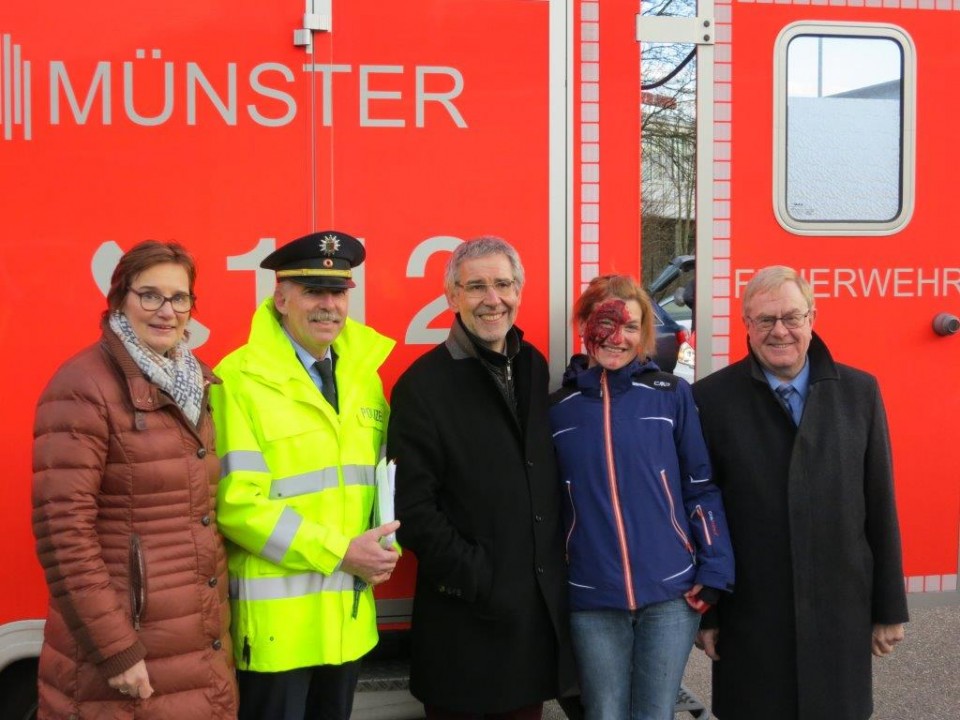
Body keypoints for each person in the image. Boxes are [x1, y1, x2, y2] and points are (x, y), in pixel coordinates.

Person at [32, 240, 238, 718]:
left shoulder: (195, 383)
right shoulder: (83, 387)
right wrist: (116, 650)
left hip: (196, 646)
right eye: (150, 295)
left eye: (179, 298)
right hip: (130, 652)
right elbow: (63, 535)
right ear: (120, 298)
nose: (167, 311)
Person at [691, 265, 908, 720]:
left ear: (812, 317)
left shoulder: (859, 392)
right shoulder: (711, 399)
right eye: (765, 320)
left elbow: (880, 504)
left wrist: (889, 608)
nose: (780, 331)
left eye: (792, 316)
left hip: (839, 607)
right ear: (746, 325)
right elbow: (703, 512)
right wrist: (708, 614)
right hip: (751, 611)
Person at [210, 230, 399, 720]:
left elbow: (374, 482)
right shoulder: (239, 380)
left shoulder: (363, 374)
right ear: (281, 297)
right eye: (314, 291)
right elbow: (238, 506)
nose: (329, 306)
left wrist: (384, 542)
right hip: (279, 636)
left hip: (348, 625)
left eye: (339, 292)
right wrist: (341, 552)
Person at [388, 236, 575, 720]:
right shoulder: (422, 386)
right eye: (476, 287)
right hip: (464, 629)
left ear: (519, 291)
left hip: (528, 626)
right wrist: (481, 579)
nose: (493, 299)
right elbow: (412, 510)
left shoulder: (532, 365)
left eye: (503, 284)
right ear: (451, 297)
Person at [548, 274, 734, 720]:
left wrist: (715, 568)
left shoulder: (672, 396)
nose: (617, 337)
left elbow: (700, 487)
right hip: (592, 599)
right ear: (584, 326)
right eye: (604, 323)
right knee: (605, 713)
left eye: (630, 327)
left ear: (645, 333)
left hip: (671, 595)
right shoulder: (558, 409)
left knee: (655, 714)